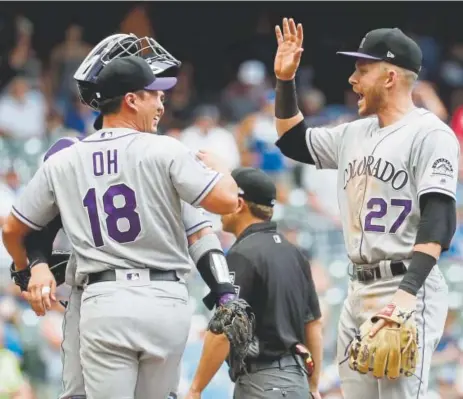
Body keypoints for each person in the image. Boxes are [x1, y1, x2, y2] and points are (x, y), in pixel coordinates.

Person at [13, 33, 240, 399]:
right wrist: (36, 264)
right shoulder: (147, 153)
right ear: (126, 98)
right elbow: (35, 230)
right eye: (153, 91)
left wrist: (224, 290)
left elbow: (199, 231)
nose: (161, 102)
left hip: (102, 300)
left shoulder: (152, 155)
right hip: (92, 297)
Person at [272, 18, 459, 399]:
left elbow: (439, 220)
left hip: (405, 284)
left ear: (389, 77)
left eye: (362, 69)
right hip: (359, 287)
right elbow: (292, 141)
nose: (353, 79)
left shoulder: (430, 133)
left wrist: (406, 295)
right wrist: (285, 81)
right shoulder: (352, 133)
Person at [186, 167, 323, 399]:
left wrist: (196, 388)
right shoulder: (294, 253)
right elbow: (314, 326)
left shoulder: (242, 255)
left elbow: (226, 328)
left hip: (263, 382)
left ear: (239, 204)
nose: (220, 208)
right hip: (297, 378)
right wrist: (313, 385)